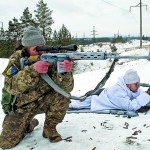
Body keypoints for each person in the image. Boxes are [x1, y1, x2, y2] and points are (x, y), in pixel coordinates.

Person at [0, 26, 74, 149]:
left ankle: (49, 128)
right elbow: (10, 86)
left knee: (62, 95)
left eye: (43, 47)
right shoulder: (17, 59)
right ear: (27, 48)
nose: (42, 51)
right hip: (21, 106)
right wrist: (33, 70)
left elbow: (67, 88)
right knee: (5, 144)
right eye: (37, 49)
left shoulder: (52, 58)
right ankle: (29, 125)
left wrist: (65, 72)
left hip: (45, 101)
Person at [69, 69, 150, 111]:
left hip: (105, 93)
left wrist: (148, 95)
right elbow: (129, 106)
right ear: (128, 83)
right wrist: (147, 95)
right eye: (136, 83)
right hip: (97, 98)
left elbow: (142, 98)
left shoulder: (134, 88)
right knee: (74, 104)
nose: (138, 85)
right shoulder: (118, 91)